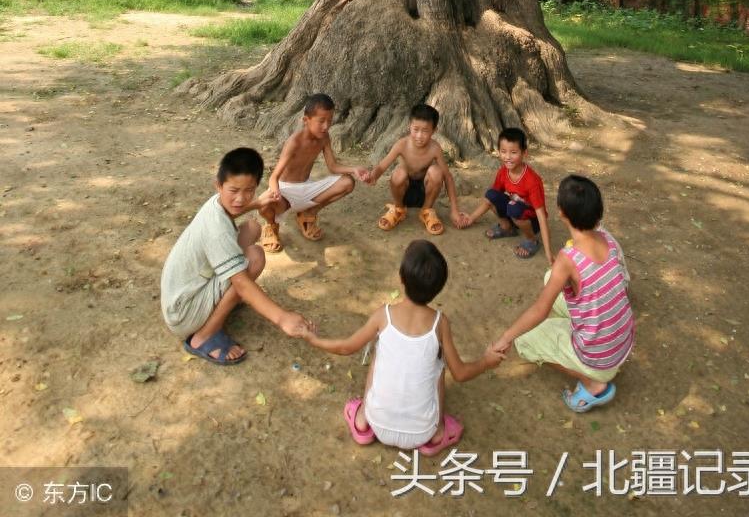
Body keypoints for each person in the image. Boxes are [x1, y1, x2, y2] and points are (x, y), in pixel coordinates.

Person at [296, 239, 503, 450]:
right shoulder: (440, 323)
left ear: (401, 278)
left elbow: (346, 347)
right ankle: (438, 432)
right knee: (438, 363)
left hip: (377, 424)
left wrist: (313, 339)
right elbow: (460, 373)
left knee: (379, 353)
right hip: (422, 433)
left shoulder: (383, 315)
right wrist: (487, 361)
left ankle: (362, 420)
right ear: (439, 287)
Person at [490, 174, 634, 412]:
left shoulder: (568, 259)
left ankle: (593, 384)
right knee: (551, 278)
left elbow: (540, 310)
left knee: (524, 340)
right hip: (622, 341)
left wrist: (506, 338)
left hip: (600, 359)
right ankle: (578, 345)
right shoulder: (606, 238)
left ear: (562, 213)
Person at [160, 146, 313, 365]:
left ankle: (222, 303)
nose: (240, 199)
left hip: (180, 295)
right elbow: (241, 282)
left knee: (252, 227)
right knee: (255, 258)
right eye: (234, 190)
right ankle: (202, 337)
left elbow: (235, 209)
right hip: (183, 314)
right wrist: (282, 318)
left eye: (249, 190)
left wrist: (257, 203)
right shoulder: (218, 231)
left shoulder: (216, 203)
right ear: (218, 185)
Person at [251, 93, 370, 250]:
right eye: (321, 121)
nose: (326, 126)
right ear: (306, 120)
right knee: (263, 203)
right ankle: (271, 226)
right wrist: (275, 191)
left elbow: (333, 166)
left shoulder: (324, 138)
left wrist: (353, 169)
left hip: (307, 189)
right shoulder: (294, 142)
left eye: (330, 121)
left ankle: (308, 213)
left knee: (347, 182)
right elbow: (274, 177)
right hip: (286, 193)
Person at [367, 102, 466, 235]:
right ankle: (399, 209)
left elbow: (447, 177)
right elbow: (382, 166)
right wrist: (373, 176)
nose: (419, 135)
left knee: (436, 171)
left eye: (425, 131)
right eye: (416, 129)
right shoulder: (402, 144)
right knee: (399, 173)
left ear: (434, 130)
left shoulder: (435, 148)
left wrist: (454, 210)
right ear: (410, 126)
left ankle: (426, 211)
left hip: (425, 193)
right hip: (403, 192)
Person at [458, 127, 553, 261]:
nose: (507, 157)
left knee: (514, 208)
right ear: (499, 152)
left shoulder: (532, 181)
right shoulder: (503, 172)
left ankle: (531, 240)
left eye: (513, 152)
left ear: (524, 153)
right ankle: (506, 227)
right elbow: (491, 199)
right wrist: (471, 218)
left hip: (532, 221)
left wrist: (549, 252)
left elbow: (541, 217)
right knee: (492, 194)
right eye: (503, 151)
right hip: (514, 212)